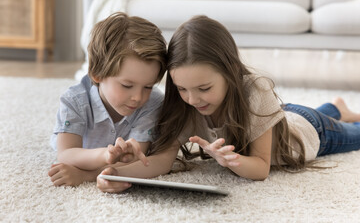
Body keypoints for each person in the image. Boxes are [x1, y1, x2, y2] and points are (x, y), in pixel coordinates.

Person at [148, 15, 360, 181]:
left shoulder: (256, 89)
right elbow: (161, 160)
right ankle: (336, 108)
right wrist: (116, 171)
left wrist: (230, 161)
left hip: (312, 130)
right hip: (283, 116)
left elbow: (261, 169)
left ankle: (335, 112)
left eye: (204, 88)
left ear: (230, 72)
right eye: (182, 89)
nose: (192, 99)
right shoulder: (187, 105)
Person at [48, 12, 179, 188]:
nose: (138, 97)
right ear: (97, 74)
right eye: (126, 85)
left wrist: (84, 175)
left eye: (148, 86)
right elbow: (66, 153)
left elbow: (136, 161)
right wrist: (104, 155)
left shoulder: (153, 103)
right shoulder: (75, 100)